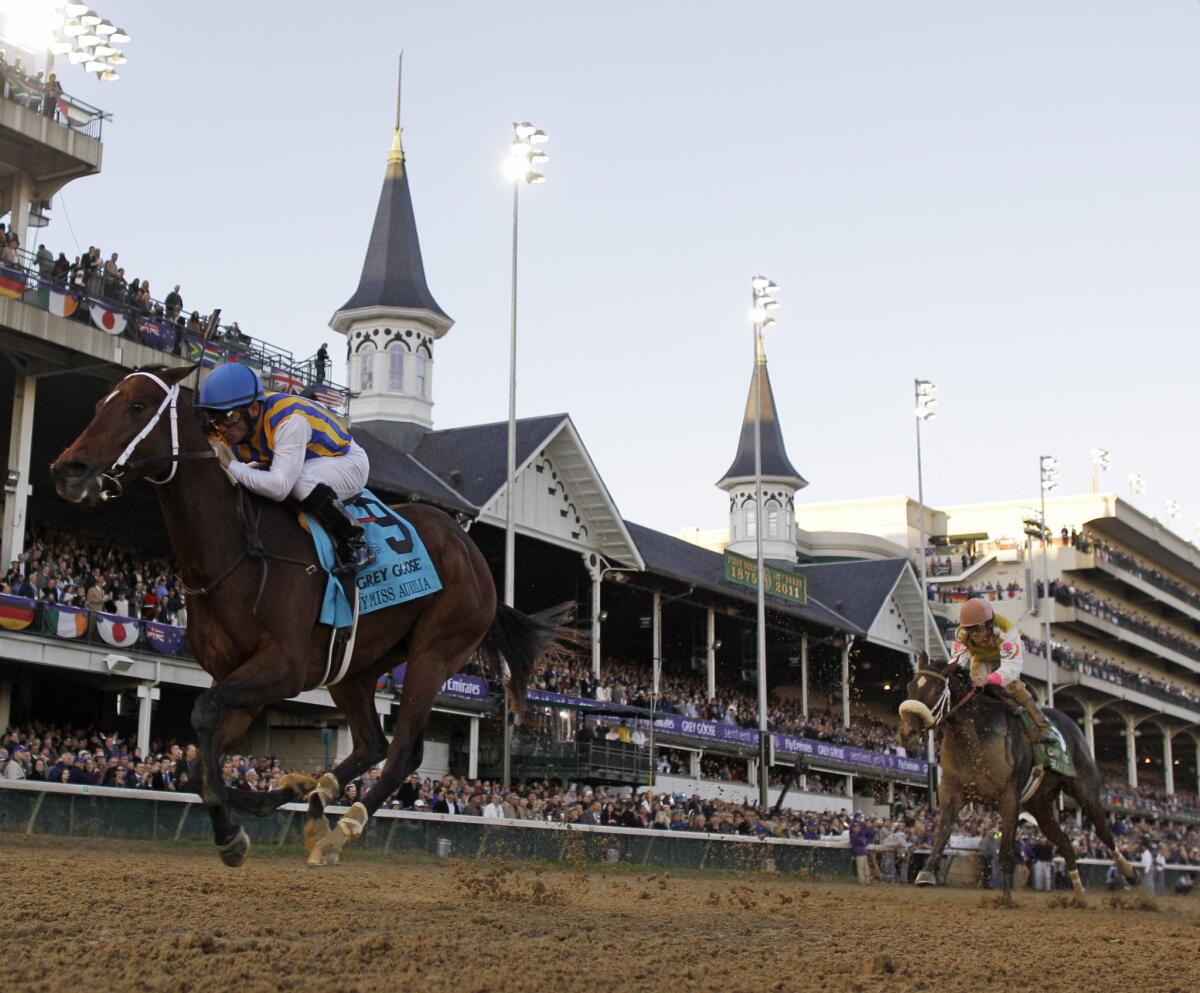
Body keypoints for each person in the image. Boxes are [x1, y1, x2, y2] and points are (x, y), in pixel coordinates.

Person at [196, 363, 374, 575]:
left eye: (229, 417)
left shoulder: (290, 421)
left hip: (349, 462)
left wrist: (231, 465)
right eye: (215, 419)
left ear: (253, 410)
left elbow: (280, 486)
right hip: (314, 459)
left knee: (297, 481)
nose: (223, 428)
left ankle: (354, 541)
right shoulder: (241, 424)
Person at [951, 598, 1057, 747]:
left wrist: (989, 678)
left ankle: (1044, 727)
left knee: (1014, 687)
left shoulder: (1005, 629)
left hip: (1006, 659)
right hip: (981, 658)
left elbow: (1012, 668)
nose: (973, 634)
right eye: (970, 630)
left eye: (978, 629)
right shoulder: (962, 634)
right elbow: (956, 661)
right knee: (972, 684)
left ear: (989, 625)